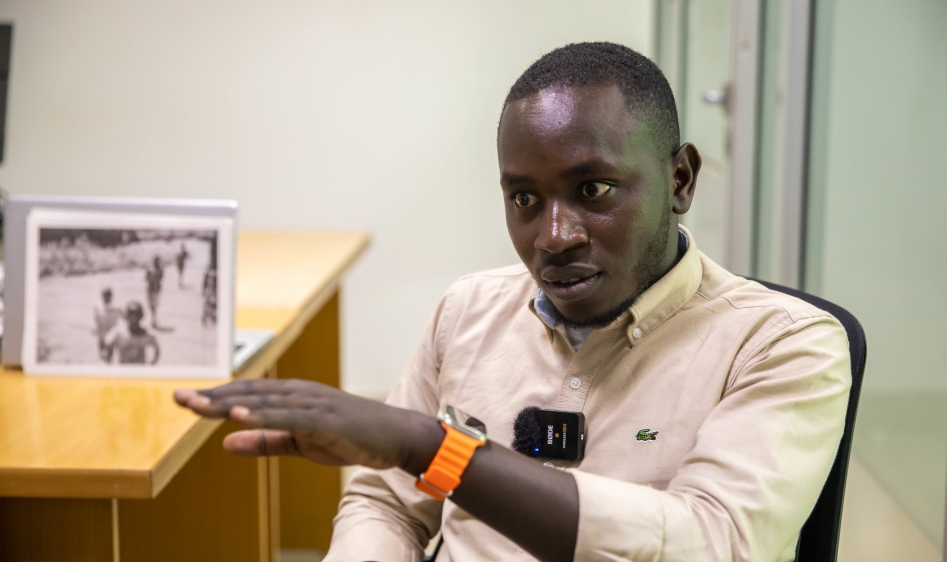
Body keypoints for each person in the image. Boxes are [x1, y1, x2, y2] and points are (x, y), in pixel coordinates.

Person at [175, 42, 850, 562]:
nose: (554, 236)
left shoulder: (785, 343)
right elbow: (387, 501)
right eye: (524, 198)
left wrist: (433, 449)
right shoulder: (468, 309)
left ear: (680, 180)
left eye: (593, 190)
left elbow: (715, 542)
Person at [93, 287, 122, 363]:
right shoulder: (98, 308)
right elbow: (95, 320)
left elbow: (123, 317)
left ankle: (108, 363)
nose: (106, 297)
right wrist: (95, 328)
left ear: (111, 296)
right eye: (104, 295)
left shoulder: (116, 308)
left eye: (108, 295)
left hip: (111, 334)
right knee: (102, 354)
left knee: (109, 355)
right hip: (101, 334)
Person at [145, 255, 164, 328]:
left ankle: (153, 318)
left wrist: (152, 276)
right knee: (150, 304)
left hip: (156, 289)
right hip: (150, 288)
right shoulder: (149, 269)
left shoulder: (160, 269)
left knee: (154, 304)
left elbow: (160, 277)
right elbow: (146, 278)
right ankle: (153, 317)